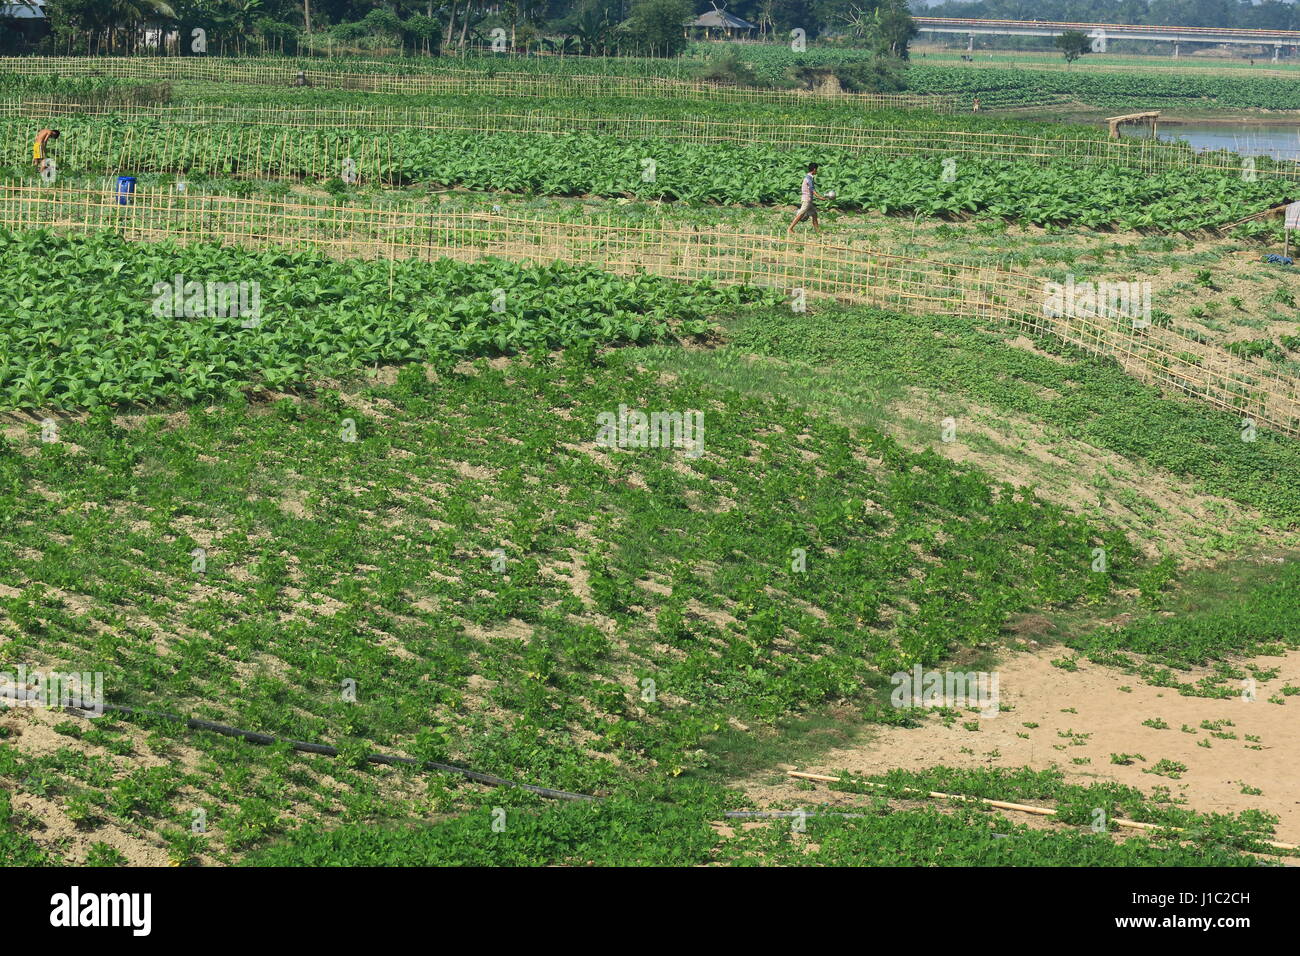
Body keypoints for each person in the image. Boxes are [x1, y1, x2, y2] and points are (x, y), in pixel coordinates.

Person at [788, 162, 827, 235]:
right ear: (814, 169)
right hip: (807, 200)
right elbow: (812, 189)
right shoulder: (809, 178)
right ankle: (790, 228)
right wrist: (819, 197)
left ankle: (817, 231)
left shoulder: (809, 177)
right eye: (817, 169)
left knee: (814, 214)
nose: (817, 171)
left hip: (808, 200)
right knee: (801, 214)